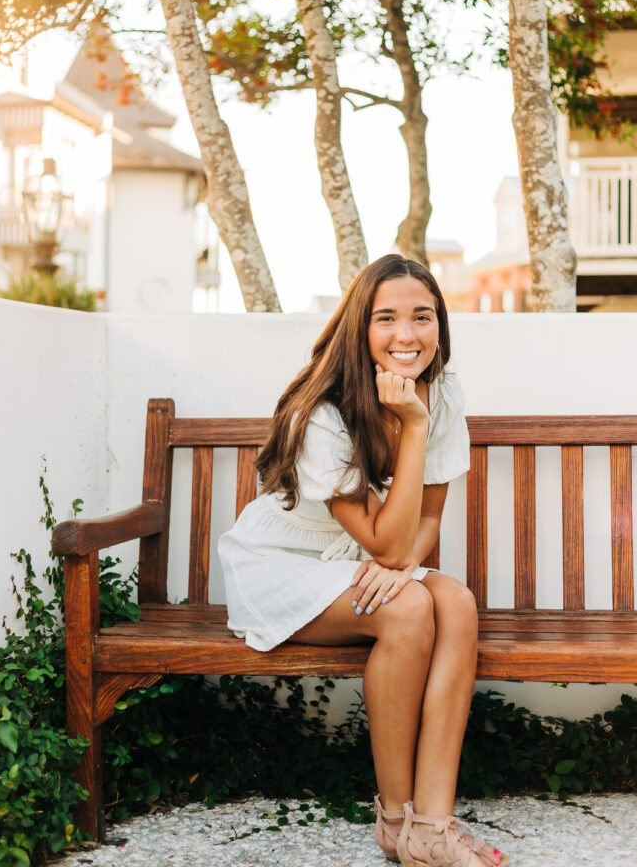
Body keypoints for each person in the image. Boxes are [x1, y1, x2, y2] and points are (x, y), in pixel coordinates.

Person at [218, 254, 508, 867]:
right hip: (280, 561)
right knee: (407, 611)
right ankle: (394, 818)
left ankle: (431, 827)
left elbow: (425, 522)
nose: (407, 335)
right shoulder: (321, 411)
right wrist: (410, 426)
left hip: (356, 558)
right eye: (387, 319)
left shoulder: (443, 393)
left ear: (440, 325)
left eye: (422, 317)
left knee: (454, 601)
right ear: (360, 327)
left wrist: (404, 563)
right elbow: (383, 542)